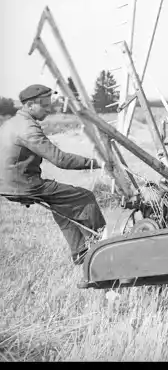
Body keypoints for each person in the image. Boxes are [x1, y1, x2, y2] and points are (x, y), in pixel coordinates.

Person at [0, 84, 108, 266]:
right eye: (45, 105)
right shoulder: (28, 129)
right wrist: (96, 163)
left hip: (8, 183)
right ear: (29, 105)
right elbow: (60, 160)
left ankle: (81, 251)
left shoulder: (11, 123)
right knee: (86, 197)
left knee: (62, 206)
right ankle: (104, 248)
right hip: (24, 184)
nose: (50, 109)